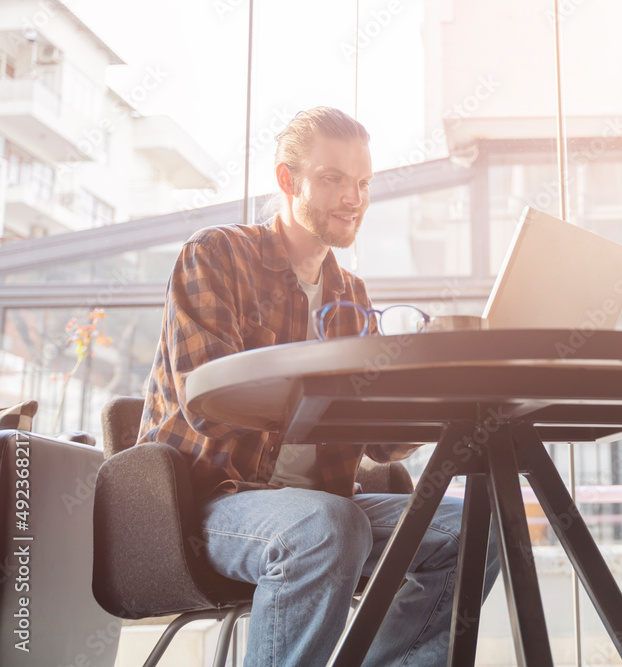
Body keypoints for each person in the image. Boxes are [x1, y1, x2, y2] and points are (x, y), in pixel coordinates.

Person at [138, 106, 499, 666]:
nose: (353, 198)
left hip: (331, 510)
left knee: (479, 524)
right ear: (289, 180)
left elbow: (380, 446)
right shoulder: (215, 256)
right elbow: (208, 402)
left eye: (362, 183)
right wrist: (339, 402)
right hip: (213, 503)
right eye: (332, 180)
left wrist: (437, 399)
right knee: (330, 526)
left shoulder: (350, 293)